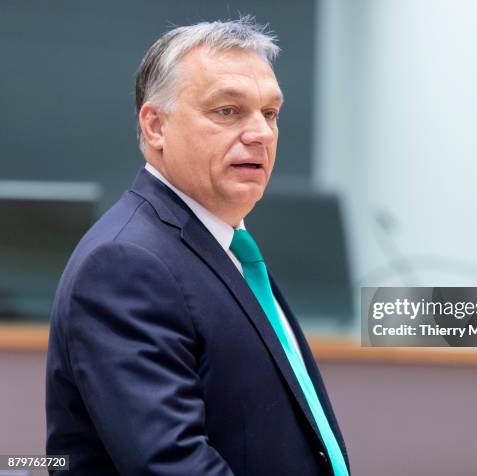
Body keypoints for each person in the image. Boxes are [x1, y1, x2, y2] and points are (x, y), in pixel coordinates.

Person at [46, 17, 350, 476]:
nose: (261, 134)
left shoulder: (226, 248)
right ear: (155, 127)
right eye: (228, 111)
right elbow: (171, 464)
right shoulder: (126, 263)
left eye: (270, 113)